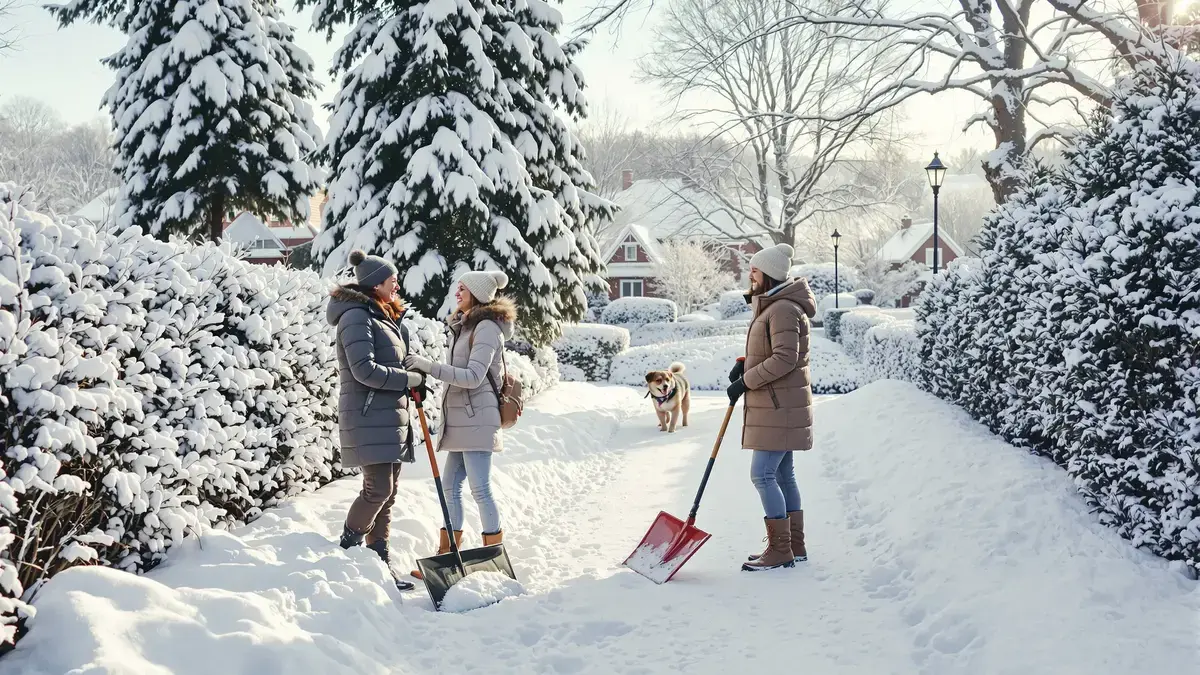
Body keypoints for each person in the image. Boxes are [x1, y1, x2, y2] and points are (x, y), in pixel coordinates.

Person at [403, 270, 515, 579]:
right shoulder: (464, 327)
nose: (457, 293)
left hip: (478, 418)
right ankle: (447, 560)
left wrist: (427, 366)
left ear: (477, 294)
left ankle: (494, 558)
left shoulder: (488, 328)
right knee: (450, 487)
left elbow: (473, 377)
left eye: (463, 288)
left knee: (480, 488)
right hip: (461, 420)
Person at [327, 249, 427, 591]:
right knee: (378, 490)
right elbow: (364, 370)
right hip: (368, 415)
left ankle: (379, 562)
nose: (396, 283)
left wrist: (415, 380)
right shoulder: (356, 316)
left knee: (389, 492)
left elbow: (396, 363)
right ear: (375, 284)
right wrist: (406, 380)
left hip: (389, 415)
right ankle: (347, 548)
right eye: (391, 279)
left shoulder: (383, 316)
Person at [726, 243, 817, 572]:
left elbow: (784, 359)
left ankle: (781, 551)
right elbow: (773, 350)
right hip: (780, 405)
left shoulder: (782, 309)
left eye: (755, 269)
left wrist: (746, 381)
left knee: (762, 474)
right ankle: (794, 546)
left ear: (770, 274)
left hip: (779, 406)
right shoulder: (776, 306)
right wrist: (743, 364)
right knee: (782, 474)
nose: (750, 273)